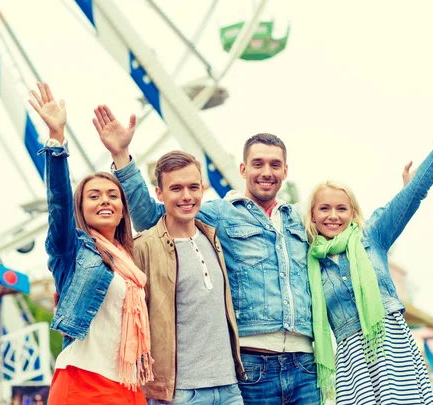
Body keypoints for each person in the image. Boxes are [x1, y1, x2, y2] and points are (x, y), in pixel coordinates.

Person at [92, 105, 322, 404]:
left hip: (304, 363)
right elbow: (153, 218)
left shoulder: (298, 220)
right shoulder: (218, 215)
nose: (267, 172)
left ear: (285, 171)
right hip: (253, 363)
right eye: (258, 164)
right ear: (243, 169)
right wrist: (122, 157)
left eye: (275, 165)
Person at [304, 104, 433, 405]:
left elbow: (413, 192)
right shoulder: (309, 261)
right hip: (352, 365)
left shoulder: (372, 236)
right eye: (324, 208)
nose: (333, 216)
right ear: (312, 216)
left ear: (353, 213)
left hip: (392, 349)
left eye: (341, 208)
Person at [29, 83, 153, 405]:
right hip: (83, 380)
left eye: (113, 196)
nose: (105, 201)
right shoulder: (71, 251)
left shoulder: (131, 260)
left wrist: (121, 155)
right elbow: (57, 202)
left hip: (127, 383)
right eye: (93, 196)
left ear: (123, 208)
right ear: (80, 207)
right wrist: (57, 137)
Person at [125, 150, 245, 404]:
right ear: (159, 194)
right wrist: (121, 154)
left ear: (203, 189)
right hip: (180, 393)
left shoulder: (214, 237)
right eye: (176, 188)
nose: (186, 196)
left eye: (193, 187)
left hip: (230, 388)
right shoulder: (144, 247)